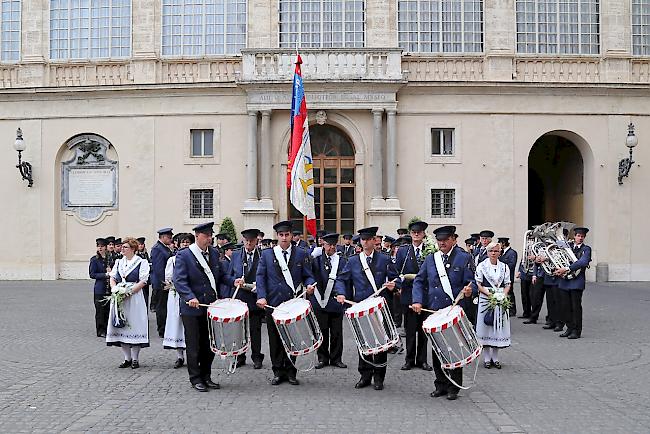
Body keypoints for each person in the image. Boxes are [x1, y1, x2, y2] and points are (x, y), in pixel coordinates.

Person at [411, 226, 474, 400]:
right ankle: (440, 384)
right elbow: (419, 280)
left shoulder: (464, 258)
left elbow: (472, 282)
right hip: (434, 310)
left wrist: (470, 290)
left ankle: (454, 386)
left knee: (454, 348)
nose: (442, 243)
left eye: (445, 240)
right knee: (437, 349)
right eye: (439, 240)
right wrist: (417, 300)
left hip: (453, 311)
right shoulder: (431, 259)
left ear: (453, 239)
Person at [335, 226, 398, 391]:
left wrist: (393, 285)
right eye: (362, 239)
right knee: (363, 342)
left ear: (374, 240)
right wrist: (341, 293)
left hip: (379, 308)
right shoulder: (354, 260)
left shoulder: (384, 259)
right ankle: (364, 375)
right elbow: (342, 279)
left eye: (368, 239)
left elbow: (396, 277)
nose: (365, 242)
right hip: (361, 308)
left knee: (380, 343)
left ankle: (379, 376)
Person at [256, 221, 316, 386]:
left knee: (292, 338)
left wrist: (310, 284)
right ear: (277, 236)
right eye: (281, 235)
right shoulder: (267, 254)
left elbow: (308, 275)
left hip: (292, 303)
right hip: (272, 303)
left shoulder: (301, 253)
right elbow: (260, 277)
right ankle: (277, 371)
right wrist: (261, 296)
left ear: (291, 236)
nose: (284, 238)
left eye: (287, 235)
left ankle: (291, 372)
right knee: (275, 339)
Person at [173, 222, 226, 392]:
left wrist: (235, 281)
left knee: (209, 344)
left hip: (210, 306)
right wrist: (190, 297)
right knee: (194, 345)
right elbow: (179, 280)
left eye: (211, 235)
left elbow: (222, 276)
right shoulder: (184, 255)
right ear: (197, 236)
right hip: (192, 308)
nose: (209, 239)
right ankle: (195, 378)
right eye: (206, 236)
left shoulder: (214, 253)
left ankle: (206, 376)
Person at [106, 237, 151, 369]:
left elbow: (143, 281)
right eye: (122, 247)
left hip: (134, 298)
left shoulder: (141, 262)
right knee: (122, 325)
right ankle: (127, 358)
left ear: (133, 249)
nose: (122, 249)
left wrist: (129, 292)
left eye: (125, 247)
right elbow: (113, 277)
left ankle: (135, 358)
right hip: (120, 297)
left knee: (135, 324)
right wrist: (115, 289)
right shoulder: (119, 262)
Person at [394, 220, 432, 372]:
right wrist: (398, 286)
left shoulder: (430, 250)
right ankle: (409, 359)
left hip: (425, 295)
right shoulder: (404, 250)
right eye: (414, 232)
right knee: (410, 330)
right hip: (409, 294)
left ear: (423, 234)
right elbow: (397, 270)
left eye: (419, 232)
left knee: (423, 330)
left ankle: (422, 360)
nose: (416, 234)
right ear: (410, 234)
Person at [226, 229, 265, 369]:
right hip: (240, 298)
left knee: (255, 329)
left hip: (255, 298)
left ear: (256, 241)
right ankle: (240, 356)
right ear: (243, 240)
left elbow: (266, 276)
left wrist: (259, 287)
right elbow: (228, 276)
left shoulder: (262, 255)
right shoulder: (236, 255)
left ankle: (257, 357)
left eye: (251, 241)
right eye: (246, 240)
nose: (249, 243)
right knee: (239, 330)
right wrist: (235, 281)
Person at [310, 233, 347, 370]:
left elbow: (345, 280)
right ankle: (322, 358)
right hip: (320, 301)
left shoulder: (341, 261)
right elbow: (307, 271)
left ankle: (337, 358)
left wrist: (343, 295)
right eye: (328, 244)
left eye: (333, 245)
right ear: (323, 245)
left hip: (336, 301)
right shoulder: (316, 260)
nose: (331, 247)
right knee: (322, 331)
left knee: (337, 332)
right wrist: (312, 254)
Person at [475, 242, 512, 369]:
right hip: (486, 298)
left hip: (500, 298)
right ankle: (486, 358)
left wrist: (502, 295)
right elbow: (478, 284)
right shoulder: (482, 266)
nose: (493, 253)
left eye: (496, 251)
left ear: (500, 252)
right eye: (491, 251)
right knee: (486, 326)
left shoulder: (505, 267)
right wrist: (490, 295)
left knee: (498, 326)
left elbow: (508, 284)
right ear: (487, 252)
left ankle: (495, 358)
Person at [554, 227, 592, 339]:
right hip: (564, 281)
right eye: (578, 236)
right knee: (565, 307)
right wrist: (557, 269)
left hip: (577, 282)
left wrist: (566, 268)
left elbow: (583, 262)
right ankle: (569, 328)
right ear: (574, 236)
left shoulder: (586, 249)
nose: (580, 238)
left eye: (582, 236)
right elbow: (556, 257)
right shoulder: (567, 247)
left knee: (576, 307)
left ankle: (576, 330)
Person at [163, 233, 194, 369]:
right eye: (183, 242)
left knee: (191, 324)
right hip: (176, 295)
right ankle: (180, 356)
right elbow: (168, 277)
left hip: (191, 295)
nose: (185, 244)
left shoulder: (195, 259)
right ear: (178, 244)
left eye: (188, 242)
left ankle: (192, 355)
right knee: (177, 323)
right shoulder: (173, 260)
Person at [151, 227, 174, 337]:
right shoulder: (157, 249)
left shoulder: (165, 248)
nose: (171, 239)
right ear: (163, 237)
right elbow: (159, 269)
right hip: (161, 284)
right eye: (169, 237)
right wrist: (164, 282)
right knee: (161, 307)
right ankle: (162, 330)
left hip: (165, 283)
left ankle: (165, 328)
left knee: (165, 306)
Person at [89, 237, 111, 337]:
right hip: (99, 289)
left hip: (110, 288)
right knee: (100, 311)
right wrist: (105, 275)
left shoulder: (110, 258)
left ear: (106, 247)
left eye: (102, 246)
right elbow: (92, 274)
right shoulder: (94, 260)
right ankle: (100, 330)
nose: (100, 248)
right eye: (98, 246)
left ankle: (108, 329)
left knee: (108, 310)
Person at [498, 237, 518, 316]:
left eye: (500, 243)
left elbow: (511, 265)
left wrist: (502, 267)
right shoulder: (502, 253)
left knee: (510, 292)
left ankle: (512, 310)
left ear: (503, 243)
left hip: (509, 276)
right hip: (502, 277)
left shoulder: (512, 253)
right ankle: (507, 307)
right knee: (506, 292)